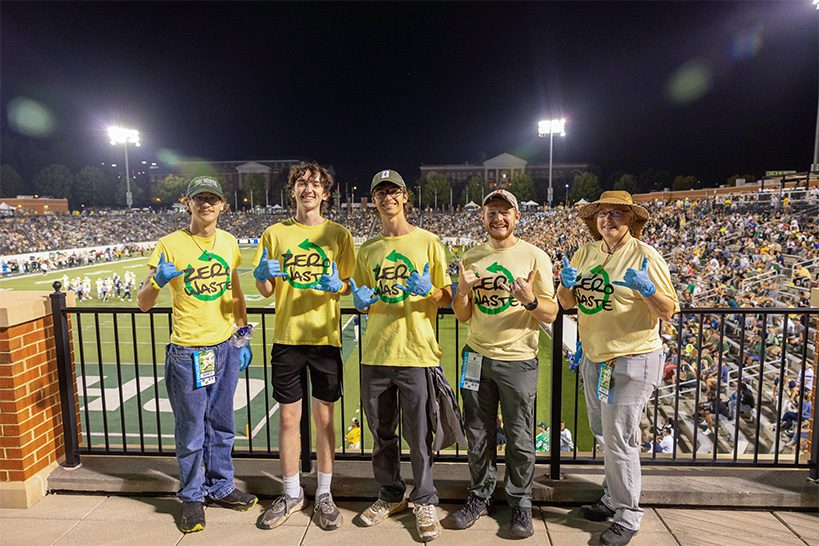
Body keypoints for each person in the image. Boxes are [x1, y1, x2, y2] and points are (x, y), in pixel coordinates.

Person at [557, 191, 679, 546]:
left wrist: (648, 291)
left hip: (633, 357)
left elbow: (668, 310)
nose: (607, 220)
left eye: (616, 214)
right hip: (595, 358)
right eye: (602, 214)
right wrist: (565, 285)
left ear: (631, 220)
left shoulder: (644, 255)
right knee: (604, 431)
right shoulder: (585, 253)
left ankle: (628, 514)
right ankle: (612, 497)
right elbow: (567, 303)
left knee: (619, 438)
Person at [137, 176, 257, 533]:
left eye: (213, 199)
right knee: (191, 431)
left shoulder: (229, 241)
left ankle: (220, 486)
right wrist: (157, 281)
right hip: (188, 349)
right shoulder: (169, 244)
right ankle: (192, 497)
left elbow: (235, 289)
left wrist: (242, 333)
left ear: (223, 205)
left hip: (225, 347)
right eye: (200, 198)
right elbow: (143, 304)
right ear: (187, 203)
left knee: (222, 425)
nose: (207, 204)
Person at [350, 169, 452, 542]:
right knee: (381, 434)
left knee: (420, 435)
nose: (387, 197)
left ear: (405, 197)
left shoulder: (428, 242)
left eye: (394, 191)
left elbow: (446, 296)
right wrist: (358, 302)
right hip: (376, 352)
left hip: (416, 351)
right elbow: (362, 298)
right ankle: (391, 494)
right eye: (380, 192)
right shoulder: (369, 249)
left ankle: (424, 499)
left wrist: (432, 293)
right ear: (373, 200)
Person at [252, 162, 354, 531]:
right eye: (301, 183)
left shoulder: (339, 234)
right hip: (287, 337)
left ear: (325, 194)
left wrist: (337, 286)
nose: (308, 189)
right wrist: (262, 277)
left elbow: (348, 285)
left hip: (325, 337)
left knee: (325, 420)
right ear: (293, 190)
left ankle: (324, 493)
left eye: (315, 184)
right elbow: (266, 289)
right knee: (288, 418)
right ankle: (293, 492)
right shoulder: (274, 233)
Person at [450, 188, 557, 537]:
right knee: (477, 434)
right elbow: (463, 315)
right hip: (476, 356)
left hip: (518, 359)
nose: (498, 218)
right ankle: (479, 496)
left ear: (517, 217)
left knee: (520, 437)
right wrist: (462, 292)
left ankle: (520, 502)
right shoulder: (471, 256)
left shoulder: (534, 255)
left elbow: (552, 312)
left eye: (504, 212)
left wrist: (529, 301)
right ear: (483, 217)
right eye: (492, 212)